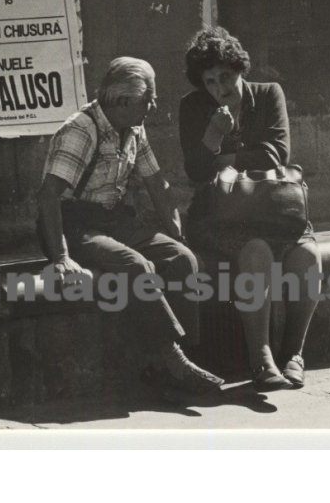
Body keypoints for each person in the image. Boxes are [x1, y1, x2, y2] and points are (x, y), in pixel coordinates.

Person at [37, 56, 224, 400]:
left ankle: (170, 362)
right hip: (74, 224)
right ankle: (175, 362)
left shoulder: (134, 128)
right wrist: (61, 256)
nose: (153, 106)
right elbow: (48, 197)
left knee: (182, 259)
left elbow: (158, 185)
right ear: (122, 101)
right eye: (147, 99)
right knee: (137, 266)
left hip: (114, 220)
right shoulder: (81, 130)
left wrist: (177, 234)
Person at [179, 27, 322, 391]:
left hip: (274, 209)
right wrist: (212, 134)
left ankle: (294, 355)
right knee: (256, 251)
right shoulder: (193, 107)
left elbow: (278, 153)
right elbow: (195, 171)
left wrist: (221, 158)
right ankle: (262, 360)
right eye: (209, 81)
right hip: (219, 216)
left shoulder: (268, 94)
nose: (219, 88)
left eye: (225, 76)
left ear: (239, 68)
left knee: (306, 255)